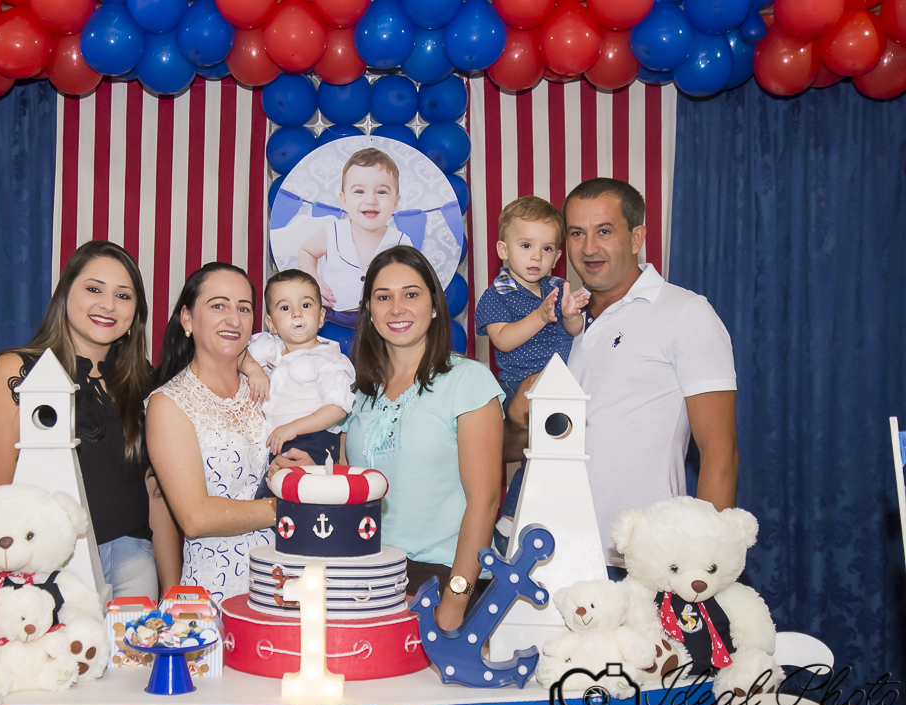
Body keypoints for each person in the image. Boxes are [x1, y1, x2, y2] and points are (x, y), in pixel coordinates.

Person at [507, 178, 738, 571]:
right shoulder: (554, 324)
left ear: (636, 238)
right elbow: (511, 451)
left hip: (643, 565)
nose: (589, 248)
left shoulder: (686, 313)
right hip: (548, 561)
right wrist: (514, 419)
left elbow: (720, 455)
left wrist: (701, 568)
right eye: (577, 233)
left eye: (604, 231)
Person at [282, 246, 504, 632]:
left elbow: (484, 502)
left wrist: (454, 598)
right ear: (369, 309)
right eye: (384, 297)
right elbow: (354, 489)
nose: (397, 308)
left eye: (411, 294)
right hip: (366, 578)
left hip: (442, 580)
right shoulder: (357, 393)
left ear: (434, 305)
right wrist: (316, 474)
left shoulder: (469, 381)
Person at [0, 241, 181, 599]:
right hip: (50, 570)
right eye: (94, 288)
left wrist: (173, 586)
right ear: (65, 294)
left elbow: (155, 489)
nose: (108, 305)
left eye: (124, 295)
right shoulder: (15, 372)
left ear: (137, 313)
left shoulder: (147, 382)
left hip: (135, 562)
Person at [145, 262, 278, 603]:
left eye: (244, 308)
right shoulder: (169, 403)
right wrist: (285, 507)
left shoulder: (271, 388)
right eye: (218, 305)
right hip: (215, 592)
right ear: (187, 319)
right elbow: (195, 517)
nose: (234, 319)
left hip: (284, 581)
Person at [241, 270, 356, 499]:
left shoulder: (328, 360)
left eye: (306, 305)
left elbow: (337, 408)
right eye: (285, 308)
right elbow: (236, 353)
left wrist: (293, 427)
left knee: (284, 495)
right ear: (271, 323)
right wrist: (253, 369)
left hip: (313, 438)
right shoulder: (270, 347)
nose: (296, 314)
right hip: (278, 441)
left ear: (321, 317)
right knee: (274, 492)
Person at [475, 196, 590, 401]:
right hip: (520, 386)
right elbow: (502, 340)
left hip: (564, 380)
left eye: (546, 249)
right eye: (526, 245)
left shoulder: (557, 288)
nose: (537, 256)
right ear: (504, 250)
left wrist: (571, 316)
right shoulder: (497, 294)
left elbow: (575, 331)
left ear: (556, 258)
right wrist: (540, 317)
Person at [297, 148, 410, 316]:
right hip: (331, 316)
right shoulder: (334, 231)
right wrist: (313, 282)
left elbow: (410, 281)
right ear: (344, 200)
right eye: (359, 191)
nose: (371, 200)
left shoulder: (401, 242)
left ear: (395, 202)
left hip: (380, 321)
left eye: (381, 192)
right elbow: (306, 251)